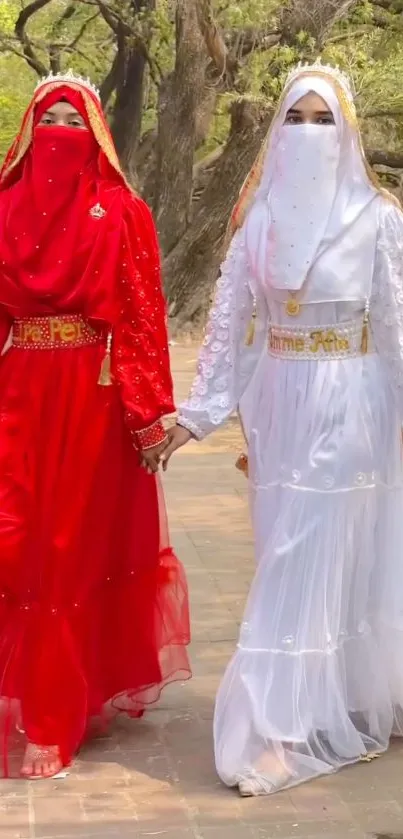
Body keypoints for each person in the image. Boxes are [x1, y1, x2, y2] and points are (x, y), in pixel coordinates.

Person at [163, 61, 403, 795]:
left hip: (349, 401)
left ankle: (280, 728)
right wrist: (195, 417)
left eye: (321, 120)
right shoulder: (258, 222)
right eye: (292, 120)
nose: (305, 134)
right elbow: (234, 326)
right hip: (276, 410)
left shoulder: (377, 219)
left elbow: (395, 326)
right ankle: (348, 692)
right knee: (290, 550)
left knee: (301, 555)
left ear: (346, 131)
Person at [0, 70, 190, 780]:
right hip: (17, 394)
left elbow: (141, 319)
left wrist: (147, 416)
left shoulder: (123, 212)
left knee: (72, 543)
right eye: (48, 120)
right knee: (16, 539)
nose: (60, 136)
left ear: (99, 136)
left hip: (92, 399)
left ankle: (66, 705)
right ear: (27, 129)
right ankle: (28, 694)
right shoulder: (3, 207)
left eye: (75, 124)